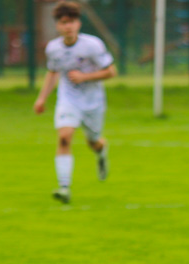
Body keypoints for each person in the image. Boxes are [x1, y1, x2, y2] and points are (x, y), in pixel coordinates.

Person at [33, 1, 116, 204]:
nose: (67, 26)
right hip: (68, 100)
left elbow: (111, 72)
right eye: (63, 22)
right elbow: (53, 73)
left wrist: (84, 77)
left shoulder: (93, 45)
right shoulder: (53, 49)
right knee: (64, 137)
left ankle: (101, 150)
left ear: (78, 23)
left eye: (71, 22)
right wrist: (42, 98)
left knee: (93, 142)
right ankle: (64, 188)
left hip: (93, 101)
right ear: (57, 25)